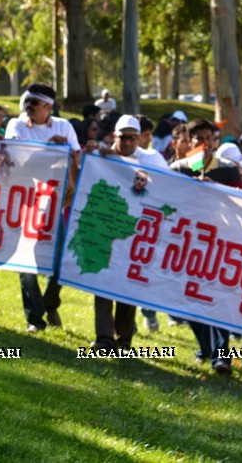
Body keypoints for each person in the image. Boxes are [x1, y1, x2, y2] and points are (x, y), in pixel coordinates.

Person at [169, 118, 242, 374]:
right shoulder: (178, 169)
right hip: (188, 243)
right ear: (188, 141)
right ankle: (206, 348)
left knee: (220, 299)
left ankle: (222, 356)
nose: (204, 143)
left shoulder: (228, 169)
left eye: (209, 138)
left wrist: (218, 190)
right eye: (198, 139)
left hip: (221, 243)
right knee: (190, 300)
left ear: (215, 140)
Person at [5, 83, 80, 332]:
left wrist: (64, 151)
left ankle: (50, 302)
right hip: (25, 200)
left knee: (59, 259)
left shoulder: (64, 127)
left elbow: (76, 160)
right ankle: (34, 319)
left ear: (48, 107)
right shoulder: (16, 125)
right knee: (26, 260)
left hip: (56, 202)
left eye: (34, 103)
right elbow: (19, 159)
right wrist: (52, 149)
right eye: (27, 102)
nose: (28, 107)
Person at [90, 114, 167, 348]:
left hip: (136, 232)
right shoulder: (100, 156)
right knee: (102, 282)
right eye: (123, 137)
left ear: (140, 138)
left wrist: (119, 162)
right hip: (105, 229)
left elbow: (164, 185)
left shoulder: (150, 158)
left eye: (133, 137)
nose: (128, 142)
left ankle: (124, 340)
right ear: (115, 136)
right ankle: (103, 338)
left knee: (127, 286)